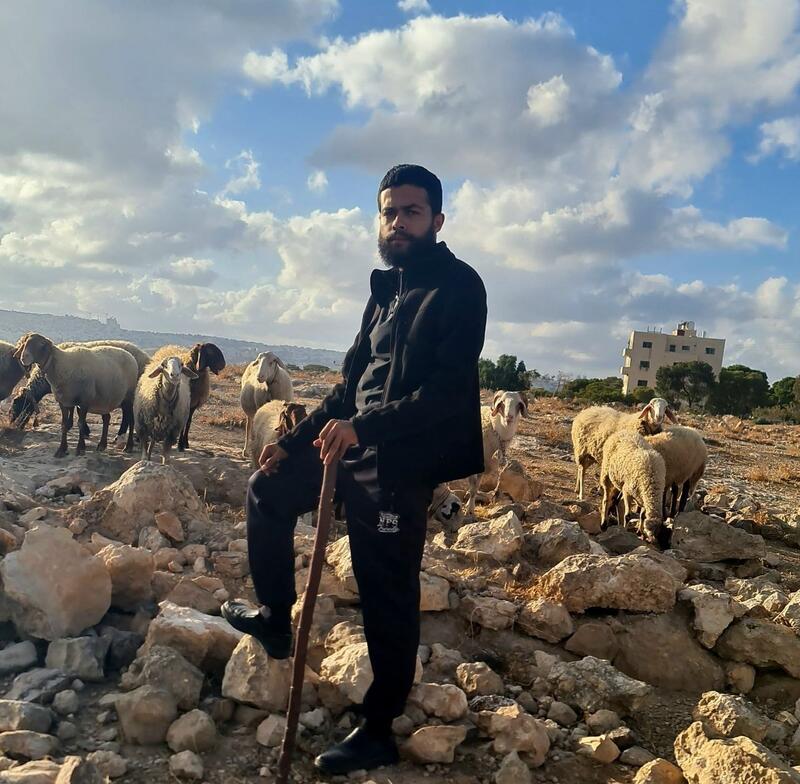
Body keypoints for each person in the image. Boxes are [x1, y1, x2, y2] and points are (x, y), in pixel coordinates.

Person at [221, 163, 487, 775]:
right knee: (266, 489)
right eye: (389, 212)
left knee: (384, 588)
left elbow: (447, 393)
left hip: (399, 461)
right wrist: (293, 440)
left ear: (437, 220)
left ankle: (378, 728)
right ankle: (275, 618)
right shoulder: (385, 289)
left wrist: (364, 429)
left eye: (411, 212)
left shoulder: (459, 287)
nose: (398, 222)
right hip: (348, 443)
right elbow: (349, 387)